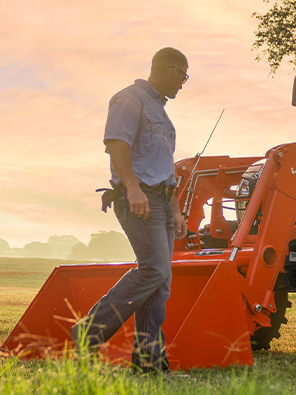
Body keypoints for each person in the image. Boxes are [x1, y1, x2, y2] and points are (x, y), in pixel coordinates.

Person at [72, 47, 190, 373]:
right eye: (184, 75)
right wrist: (134, 188)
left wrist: (177, 210)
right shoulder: (130, 98)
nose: (183, 83)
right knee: (153, 270)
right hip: (140, 197)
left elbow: (166, 168)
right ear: (170, 69)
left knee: (160, 280)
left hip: (163, 200)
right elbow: (116, 143)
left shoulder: (162, 113)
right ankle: (88, 332)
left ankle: (148, 362)